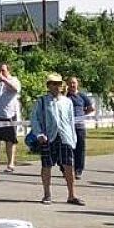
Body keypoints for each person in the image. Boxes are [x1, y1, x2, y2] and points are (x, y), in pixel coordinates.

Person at [31, 72, 83, 205]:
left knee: (69, 166)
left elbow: (71, 121)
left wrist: (73, 139)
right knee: (47, 166)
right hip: (48, 137)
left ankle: (72, 195)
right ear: (48, 86)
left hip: (65, 137)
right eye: (53, 84)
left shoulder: (67, 102)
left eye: (59, 84)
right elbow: (35, 119)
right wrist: (39, 134)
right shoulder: (42, 101)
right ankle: (47, 195)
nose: (56, 86)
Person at [66, 76, 94, 179]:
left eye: (74, 83)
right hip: (67, 126)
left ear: (77, 84)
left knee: (80, 149)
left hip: (80, 126)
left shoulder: (82, 96)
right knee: (67, 149)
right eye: (70, 83)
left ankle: (78, 170)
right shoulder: (65, 96)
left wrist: (82, 115)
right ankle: (67, 169)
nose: (72, 85)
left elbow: (91, 108)